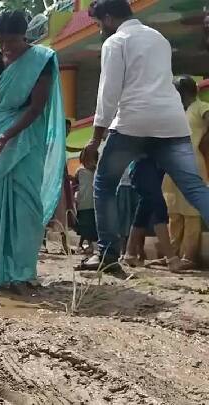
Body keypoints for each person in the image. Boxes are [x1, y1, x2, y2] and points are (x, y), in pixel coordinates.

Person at [79, 0, 209, 273]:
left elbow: (109, 92)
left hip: (134, 122)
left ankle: (107, 254)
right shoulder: (158, 38)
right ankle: (111, 253)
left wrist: (94, 139)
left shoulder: (116, 43)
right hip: (172, 123)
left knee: (104, 184)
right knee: (195, 188)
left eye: (99, 23)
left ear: (109, 17)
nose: (99, 29)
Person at [0, 10, 66, 290]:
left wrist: (6, 138)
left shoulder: (41, 60)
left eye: (11, 40)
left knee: (25, 206)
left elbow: (36, 107)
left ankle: (21, 272)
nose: (5, 46)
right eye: (0, 40)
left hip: (27, 136)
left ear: (24, 36)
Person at [162, 75, 209, 270]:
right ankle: (172, 255)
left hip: (192, 163)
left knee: (191, 212)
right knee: (173, 211)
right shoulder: (176, 111)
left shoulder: (201, 107)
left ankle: (188, 257)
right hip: (172, 164)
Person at [122, 159, 180, 272]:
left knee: (144, 209)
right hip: (144, 165)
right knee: (159, 206)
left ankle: (130, 254)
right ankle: (171, 259)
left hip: (153, 167)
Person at [45, 119, 76, 254]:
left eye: (69, 130)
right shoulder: (52, 142)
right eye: (65, 129)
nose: (67, 132)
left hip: (61, 182)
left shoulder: (61, 144)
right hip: (51, 182)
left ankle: (64, 245)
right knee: (47, 211)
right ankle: (42, 243)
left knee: (63, 213)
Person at [75, 149, 98, 254]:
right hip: (83, 202)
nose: (89, 163)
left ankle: (86, 245)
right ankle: (85, 245)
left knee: (89, 225)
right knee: (84, 225)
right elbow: (75, 184)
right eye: (86, 161)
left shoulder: (97, 172)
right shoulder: (80, 171)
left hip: (93, 203)